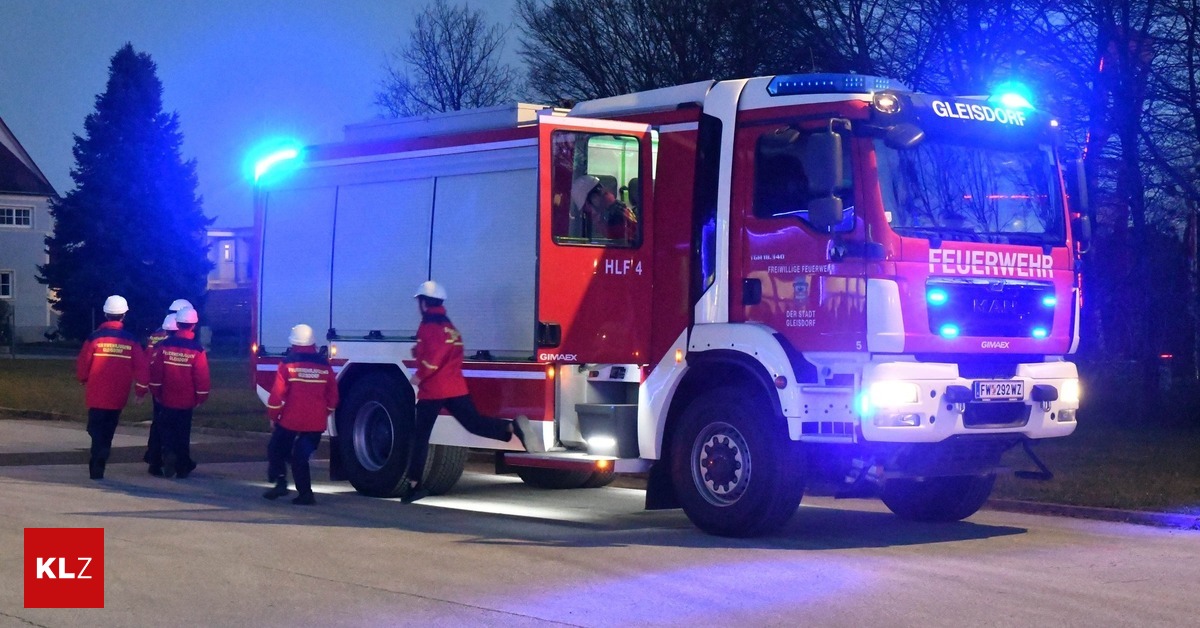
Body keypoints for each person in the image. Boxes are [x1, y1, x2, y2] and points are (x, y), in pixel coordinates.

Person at [403, 280, 536, 503]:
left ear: (424, 303)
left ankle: (415, 485)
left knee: (419, 437)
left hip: (434, 389)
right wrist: (420, 350)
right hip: (455, 386)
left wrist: (420, 374)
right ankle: (511, 427)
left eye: (419, 301)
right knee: (473, 423)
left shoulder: (429, 326)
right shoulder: (449, 326)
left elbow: (434, 358)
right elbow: (447, 351)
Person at [262, 324, 339, 505]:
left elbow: (277, 396)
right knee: (300, 457)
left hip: (290, 420)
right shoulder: (324, 365)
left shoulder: (288, 364)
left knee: (276, 448)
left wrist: (274, 417)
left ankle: (280, 481)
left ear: (293, 342)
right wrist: (323, 413)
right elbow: (333, 396)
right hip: (315, 422)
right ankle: (305, 494)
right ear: (312, 342)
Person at [76, 295, 149, 480]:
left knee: (95, 428)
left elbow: (83, 363)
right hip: (118, 395)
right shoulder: (131, 340)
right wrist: (140, 391)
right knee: (108, 428)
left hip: (96, 393)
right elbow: (142, 368)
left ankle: (97, 456)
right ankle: (103, 453)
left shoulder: (94, 338)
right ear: (124, 315)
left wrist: (83, 378)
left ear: (105, 314)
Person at [148, 306, 210, 478]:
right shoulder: (197, 350)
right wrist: (201, 397)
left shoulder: (164, 345)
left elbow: (157, 372)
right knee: (183, 433)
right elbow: (201, 377)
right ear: (193, 325)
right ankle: (182, 467)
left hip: (166, 397)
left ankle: (168, 454)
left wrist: (156, 391)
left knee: (166, 430)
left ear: (177, 323)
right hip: (186, 400)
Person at [143, 312, 177, 476]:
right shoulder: (182, 344)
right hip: (176, 393)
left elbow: (149, 362)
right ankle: (174, 459)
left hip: (158, 389)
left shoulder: (156, 339)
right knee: (177, 427)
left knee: (158, 424)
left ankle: (154, 460)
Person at [570, 174, 638, 243]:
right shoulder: (612, 210)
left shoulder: (614, 218)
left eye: (586, 207)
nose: (588, 212)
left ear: (594, 198)